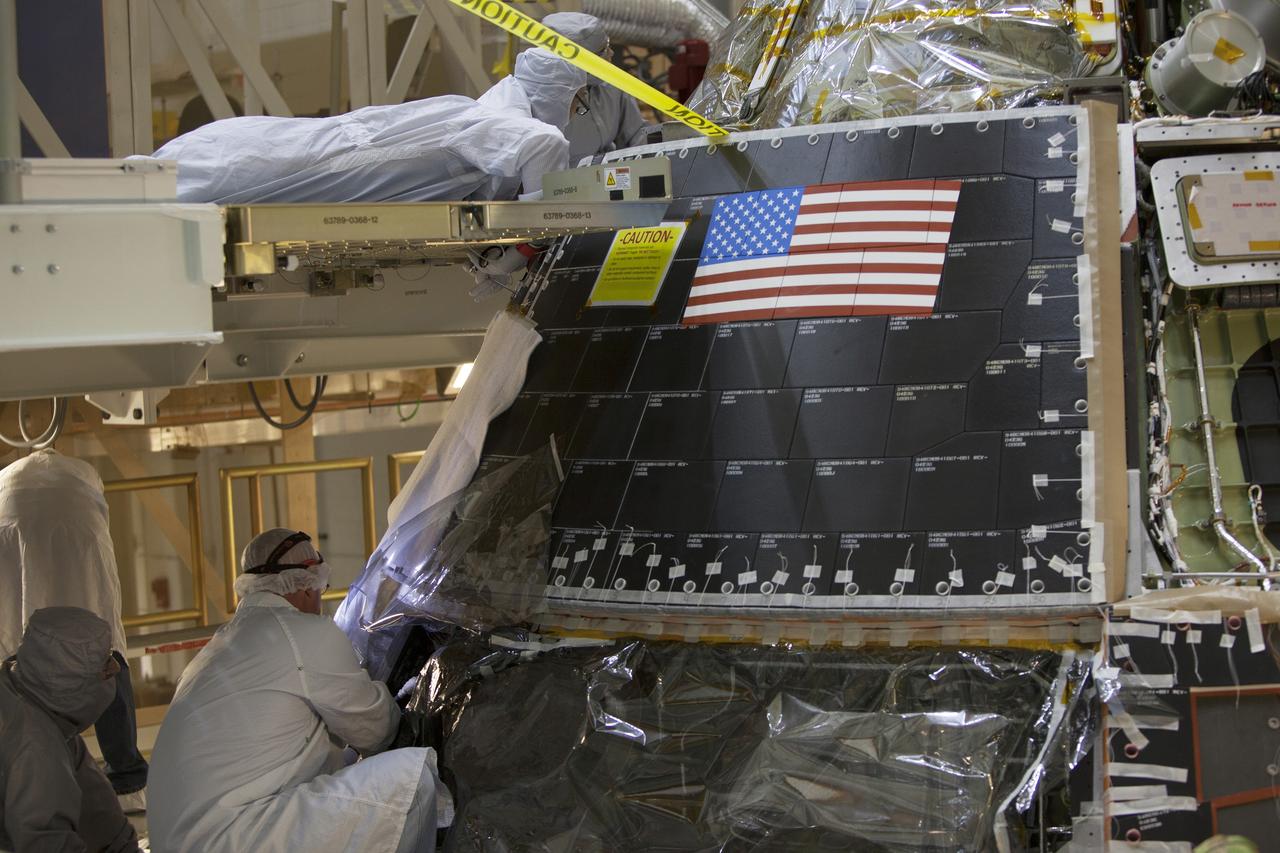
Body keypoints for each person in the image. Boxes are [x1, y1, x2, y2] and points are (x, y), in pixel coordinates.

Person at [147, 528, 441, 853]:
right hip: (233, 836)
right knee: (414, 780)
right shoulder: (302, 632)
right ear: (307, 582)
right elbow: (377, 731)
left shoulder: (219, 646)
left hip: (184, 838)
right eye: (322, 585)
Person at [145, 48, 587, 205]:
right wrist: (541, 233)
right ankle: (140, 182)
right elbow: (544, 143)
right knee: (237, 170)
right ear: (556, 96)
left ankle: (141, 179)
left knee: (242, 157)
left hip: (317, 147)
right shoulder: (490, 120)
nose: (573, 114)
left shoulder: (475, 112)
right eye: (576, 103)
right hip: (323, 160)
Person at [0, 450, 149, 811]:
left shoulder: (12, 479)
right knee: (106, 651)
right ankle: (126, 781)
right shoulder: (80, 476)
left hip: (12, 517)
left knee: (12, 651)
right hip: (77, 525)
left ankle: (15, 779)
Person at [0, 606, 141, 853]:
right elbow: (46, 843)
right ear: (73, 682)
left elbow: (96, 805)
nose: (115, 669)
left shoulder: (28, 698)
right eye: (105, 665)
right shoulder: (36, 748)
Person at [541, 12, 656, 165]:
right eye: (603, 50)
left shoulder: (613, 86)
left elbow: (637, 135)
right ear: (582, 62)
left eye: (608, 44)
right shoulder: (541, 100)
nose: (611, 53)